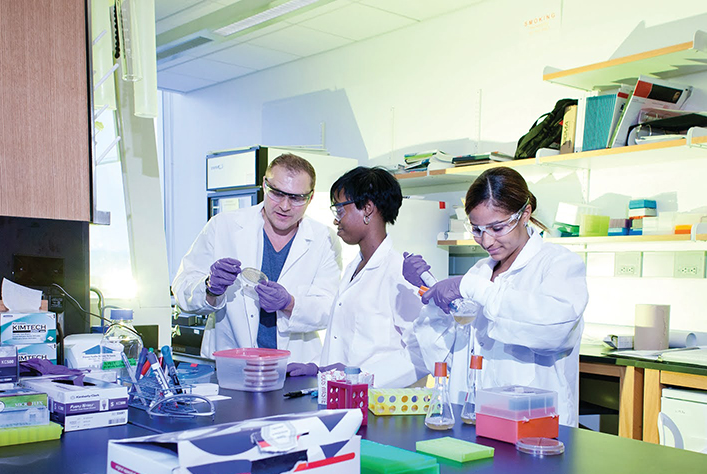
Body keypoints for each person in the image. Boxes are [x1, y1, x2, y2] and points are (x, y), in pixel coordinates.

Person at [402, 166, 588, 426]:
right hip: (473, 417)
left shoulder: (559, 264)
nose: (487, 241)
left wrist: (472, 288)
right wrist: (434, 300)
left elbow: (554, 329)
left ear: (525, 214)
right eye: (477, 230)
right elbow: (443, 353)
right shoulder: (480, 271)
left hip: (533, 423)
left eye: (497, 228)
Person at [172, 153, 341, 362]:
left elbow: (330, 307)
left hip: (293, 367)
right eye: (277, 193)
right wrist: (209, 288)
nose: (285, 206)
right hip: (230, 361)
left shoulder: (324, 238)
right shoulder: (223, 226)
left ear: (311, 197)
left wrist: (289, 303)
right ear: (264, 185)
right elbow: (181, 288)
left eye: (296, 198)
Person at [287, 167, 427, 387]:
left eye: (340, 210)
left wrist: (360, 375)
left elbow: (421, 353)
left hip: (378, 404)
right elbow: (345, 343)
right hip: (344, 396)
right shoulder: (356, 267)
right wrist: (317, 367)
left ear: (367, 209)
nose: (336, 221)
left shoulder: (399, 273)